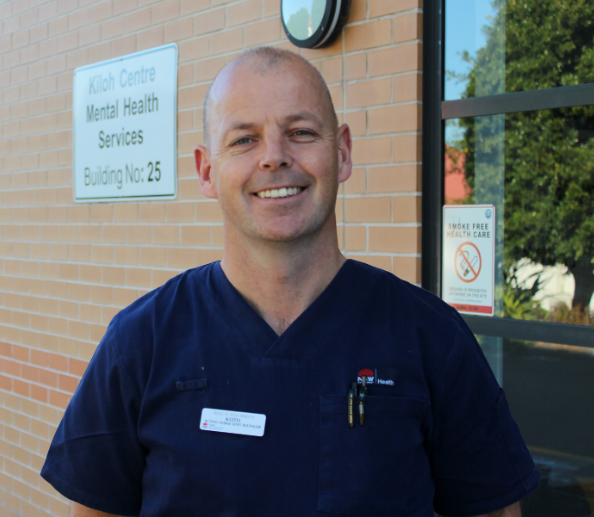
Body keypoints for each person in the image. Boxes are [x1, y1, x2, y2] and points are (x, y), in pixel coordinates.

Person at [41, 47, 539, 517]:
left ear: (341, 153)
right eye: (243, 139)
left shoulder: (431, 338)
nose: (274, 157)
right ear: (206, 171)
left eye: (301, 132)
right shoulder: (140, 343)